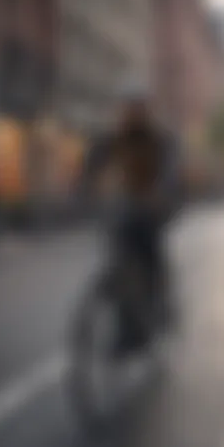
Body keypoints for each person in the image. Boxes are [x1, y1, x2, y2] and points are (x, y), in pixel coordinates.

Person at [80, 81, 181, 356]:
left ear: (146, 109)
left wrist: (161, 193)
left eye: (137, 106)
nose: (131, 112)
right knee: (118, 261)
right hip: (124, 207)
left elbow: (172, 170)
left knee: (149, 250)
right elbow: (92, 163)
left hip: (154, 207)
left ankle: (160, 303)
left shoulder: (161, 139)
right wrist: (84, 188)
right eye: (127, 107)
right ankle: (127, 330)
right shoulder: (114, 138)